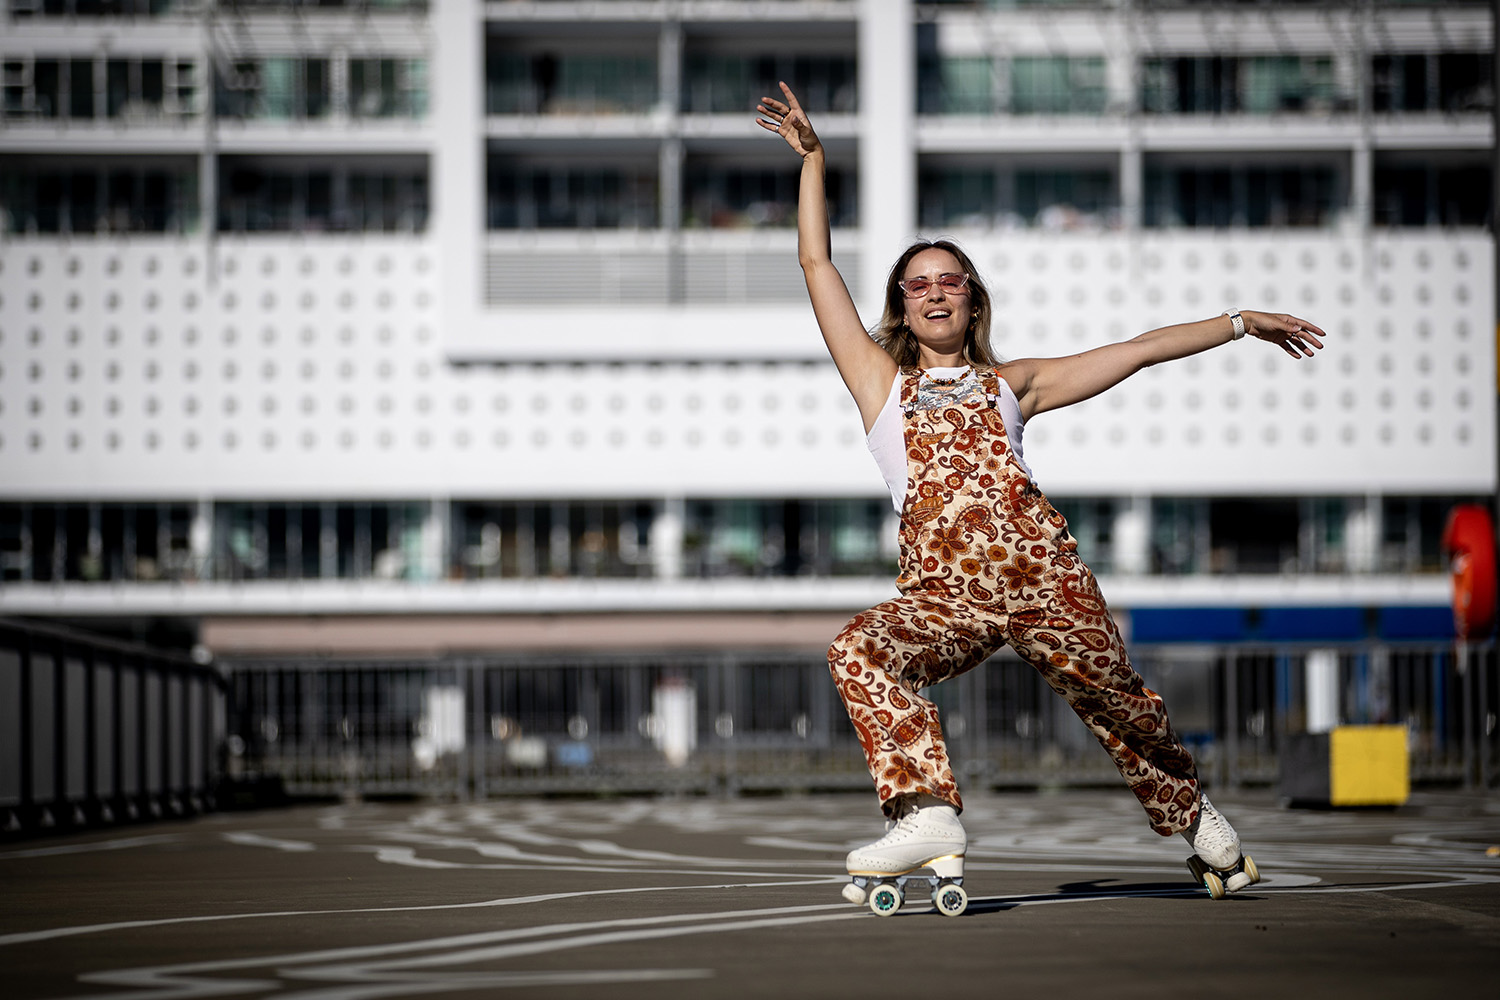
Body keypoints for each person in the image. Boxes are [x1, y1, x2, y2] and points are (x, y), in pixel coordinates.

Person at [756, 82, 1325, 912]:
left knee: (1120, 702)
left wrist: (1239, 321)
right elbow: (816, 264)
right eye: (919, 284)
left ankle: (1197, 817)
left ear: (973, 300)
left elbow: (1137, 351)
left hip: (1048, 584)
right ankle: (927, 812)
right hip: (946, 596)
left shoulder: (1014, 385)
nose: (937, 291)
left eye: (951, 279)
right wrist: (814, 162)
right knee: (859, 648)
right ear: (904, 310)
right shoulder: (880, 384)